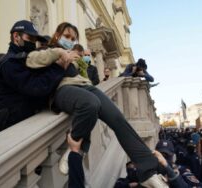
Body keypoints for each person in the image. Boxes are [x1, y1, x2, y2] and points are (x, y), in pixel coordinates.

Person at [26, 22, 167, 187]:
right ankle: (75, 142)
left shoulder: (73, 57)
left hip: (85, 87)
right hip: (62, 91)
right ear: (57, 35)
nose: (69, 40)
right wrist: (58, 52)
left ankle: (148, 171)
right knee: (90, 104)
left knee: (117, 118)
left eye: (73, 38)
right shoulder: (46, 50)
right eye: (66, 36)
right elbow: (30, 60)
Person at [0, 20, 78, 134]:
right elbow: (37, 87)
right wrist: (59, 67)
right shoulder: (9, 63)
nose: (34, 43)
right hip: (13, 128)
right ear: (16, 36)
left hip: (29, 122)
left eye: (35, 40)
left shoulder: (26, 58)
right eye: (30, 38)